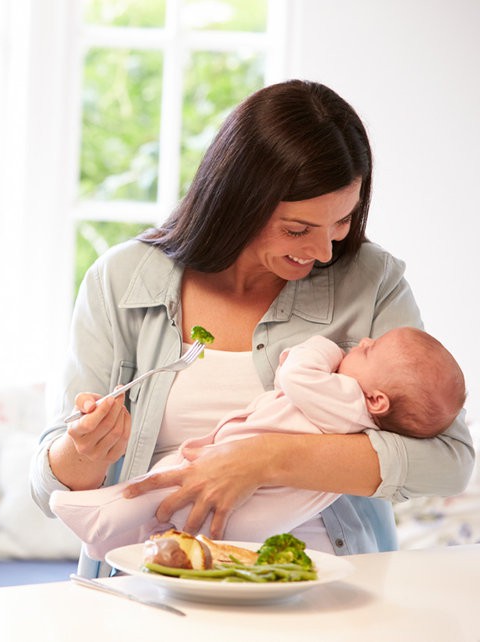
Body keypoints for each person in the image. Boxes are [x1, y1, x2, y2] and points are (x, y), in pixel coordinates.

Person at [29, 79, 475, 578]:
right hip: (153, 581)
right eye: (297, 229)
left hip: (325, 584)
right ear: (236, 201)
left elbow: (449, 460)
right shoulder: (122, 280)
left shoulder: (372, 281)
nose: (325, 251)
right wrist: (86, 451)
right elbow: (48, 491)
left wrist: (265, 458)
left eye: (342, 222)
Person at [48, 328, 467, 560]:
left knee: (160, 486)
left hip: (245, 486)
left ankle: (97, 517)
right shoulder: (365, 420)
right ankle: (111, 542)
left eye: (368, 350)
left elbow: (297, 375)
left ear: (377, 399)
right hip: (266, 518)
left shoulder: (347, 397)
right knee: (168, 520)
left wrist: (320, 345)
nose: (358, 343)